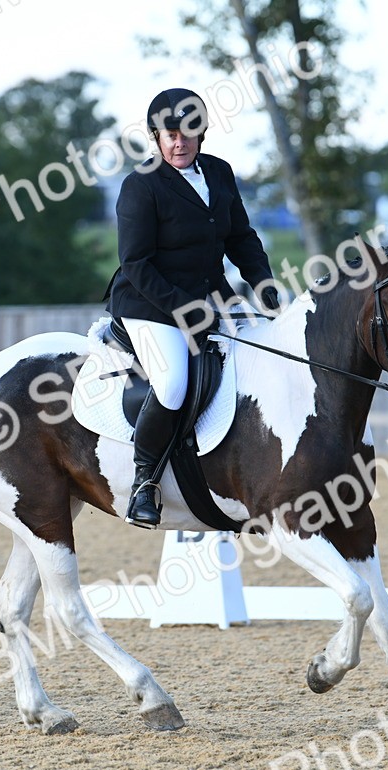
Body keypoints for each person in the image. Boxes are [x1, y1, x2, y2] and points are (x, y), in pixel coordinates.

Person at [104, 87, 281, 528]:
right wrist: (187, 309)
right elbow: (136, 264)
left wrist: (263, 282)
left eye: (188, 132)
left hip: (213, 295)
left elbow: (240, 235)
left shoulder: (219, 173)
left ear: (202, 133)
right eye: (169, 134)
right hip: (150, 304)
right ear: (155, 137)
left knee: (264, 359)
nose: (179, 142)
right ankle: (145, 483)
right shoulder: (141, 185)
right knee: (172, 383)